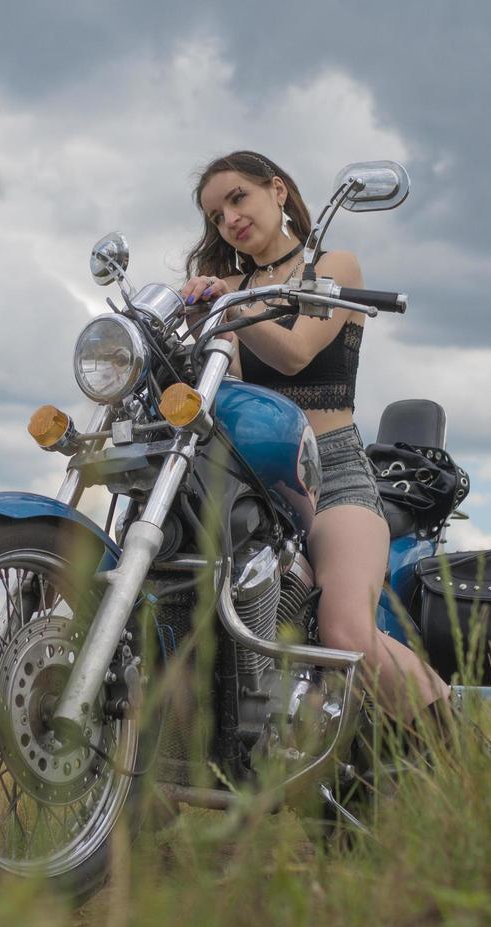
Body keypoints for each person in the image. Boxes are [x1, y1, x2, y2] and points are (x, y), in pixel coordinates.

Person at [178, 150, 450, 728]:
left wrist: (234, 307)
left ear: (277, 191)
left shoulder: (335, 266)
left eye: (237, 199)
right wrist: (199, 320)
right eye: (215, 215)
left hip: (334, 474)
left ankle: (462, 758)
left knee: (344, 630)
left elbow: (298, 353)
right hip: (254, 475)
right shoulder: (229, 288)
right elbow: (230, 385)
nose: (228, 220)